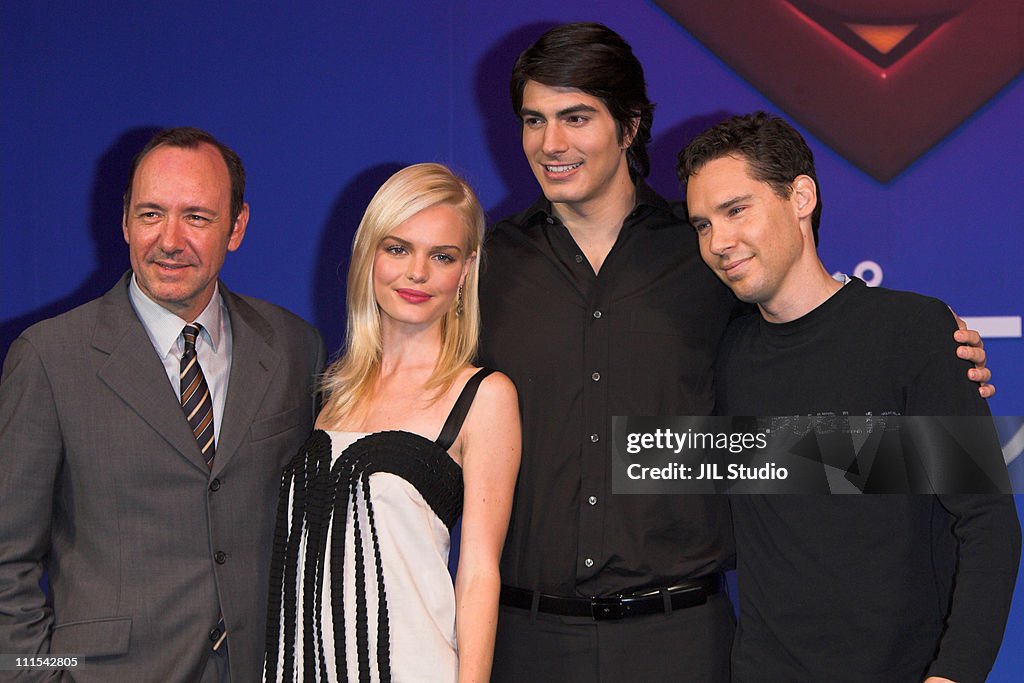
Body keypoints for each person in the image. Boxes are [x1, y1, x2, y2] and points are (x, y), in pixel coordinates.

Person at [478, 22, 997, 682]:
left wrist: (935, 348)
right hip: (527, 637)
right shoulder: (487, 267)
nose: (551, 143)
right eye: (533, 119)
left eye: (575, 116)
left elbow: (826, 346)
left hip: (685, 637)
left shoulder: (712, 261)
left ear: (630, 126)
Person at [679, 111, 1021, 682]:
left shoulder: (911, 332)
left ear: (801, 197)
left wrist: (954, 674)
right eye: (701, 225)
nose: (719, 242)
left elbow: (988, 522)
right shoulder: (722, 352)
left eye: (736, 210)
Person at [0, 127, 325, 682]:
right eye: (151, 214)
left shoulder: (295, 345)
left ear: (237, 227)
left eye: (197, 217)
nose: (170, 240)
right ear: (125, 221)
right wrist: (40, 674)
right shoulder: (50, 357)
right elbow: (7, 562)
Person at [264, 163, 520, 683]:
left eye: (441, 256)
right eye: (398, 248)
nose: (417, 273)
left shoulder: (484, 396)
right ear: (369, 254)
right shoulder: (328, 388)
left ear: (466, 269)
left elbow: (477, 576)